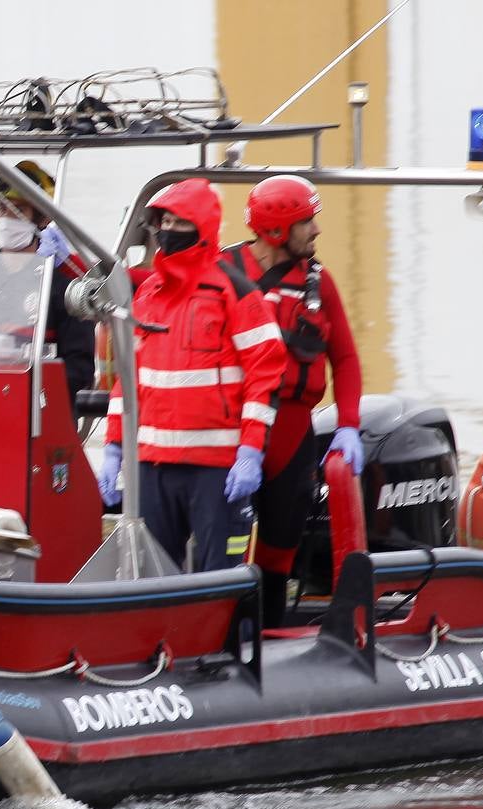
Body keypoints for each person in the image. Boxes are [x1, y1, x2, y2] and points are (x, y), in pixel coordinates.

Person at [98, 178, 286, 572]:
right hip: (152, 466)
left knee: (222, 581)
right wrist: (114, 447)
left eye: (177, 223)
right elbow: (128, 380)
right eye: (162, 222)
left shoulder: (236, 292)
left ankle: (228, 636)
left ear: (201, 227)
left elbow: (265, 374)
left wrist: (250, 452)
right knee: (153, 578)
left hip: (216, 468)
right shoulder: (149, 293)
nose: (167, 231)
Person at [224, 175, 364, 625]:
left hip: (290, 435)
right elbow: (149, 287)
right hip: (228, 432)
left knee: (281, 544)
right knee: (222, 545)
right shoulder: (219, 271)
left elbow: (344, 359)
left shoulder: (319, 286)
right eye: (308, 222)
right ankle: (215, 632)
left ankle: (269, 634)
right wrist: (77, 266)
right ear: (276, 230)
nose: (317, 230)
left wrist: (348, 424)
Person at [0, 161, 96, 409]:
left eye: (17, 209)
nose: (5, 217)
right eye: (1, 208)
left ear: (42, 219)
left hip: (38, 420)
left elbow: (79, 370)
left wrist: (30, 400)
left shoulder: (63, 289)